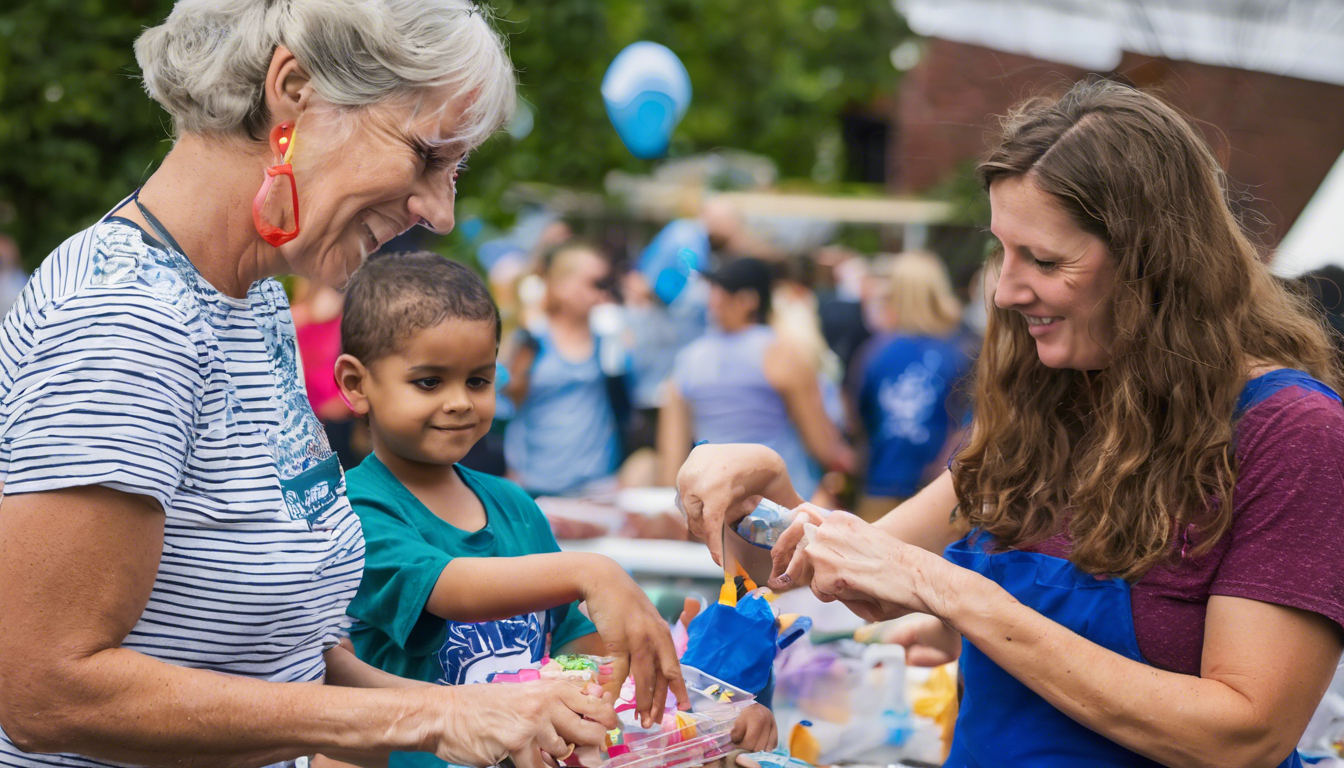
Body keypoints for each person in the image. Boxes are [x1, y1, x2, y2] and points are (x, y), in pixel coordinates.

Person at [0, 3, 617, 767]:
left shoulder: (248, 294)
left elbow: (277, 664)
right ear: (294, 90)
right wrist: (422, 722)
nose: (441, 211)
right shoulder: (127, 318)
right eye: (427, 156)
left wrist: (477, 709)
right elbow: (46, 690)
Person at [675, 79, 1344, 767]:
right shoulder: (1050, 406)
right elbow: (851, 576)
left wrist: (958, 595)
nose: (1005, 290)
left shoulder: (1291, 434)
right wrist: (760, 500)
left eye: (1045, 261)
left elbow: (1245, 736)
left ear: (1155, 265)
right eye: (1005, 252)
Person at [659, 257, 855, 501]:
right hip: (779, 502)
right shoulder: (782, 351)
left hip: (715, 499)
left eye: (720, 290)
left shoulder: (688, 359)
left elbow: (672, 451)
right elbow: (820, 444)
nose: (712, 298)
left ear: (748, 300)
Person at [849, 251, 971, 521]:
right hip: (945, 491)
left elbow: (857, 419)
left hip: (882, 482)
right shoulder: (964, 350)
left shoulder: (876, 352)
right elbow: (970, 423)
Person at [504, 240, 623, 497]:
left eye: (606, 283)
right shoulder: (531, 337)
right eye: (595, 283)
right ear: (562, 285)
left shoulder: (609, 335)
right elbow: (506, 404)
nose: (602, 292)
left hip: (598, 482)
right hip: (536, 481)